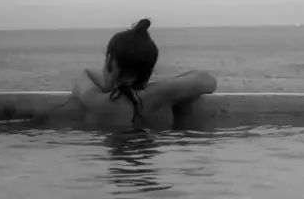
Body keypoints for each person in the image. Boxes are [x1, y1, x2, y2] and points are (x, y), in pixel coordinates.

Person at [72, 18, 217, 128]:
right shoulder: (160, 94)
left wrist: (108, 84)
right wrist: (165, 85)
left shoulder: (96, 101)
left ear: (112, 63)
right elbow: (208, 80)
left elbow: (85, 75)